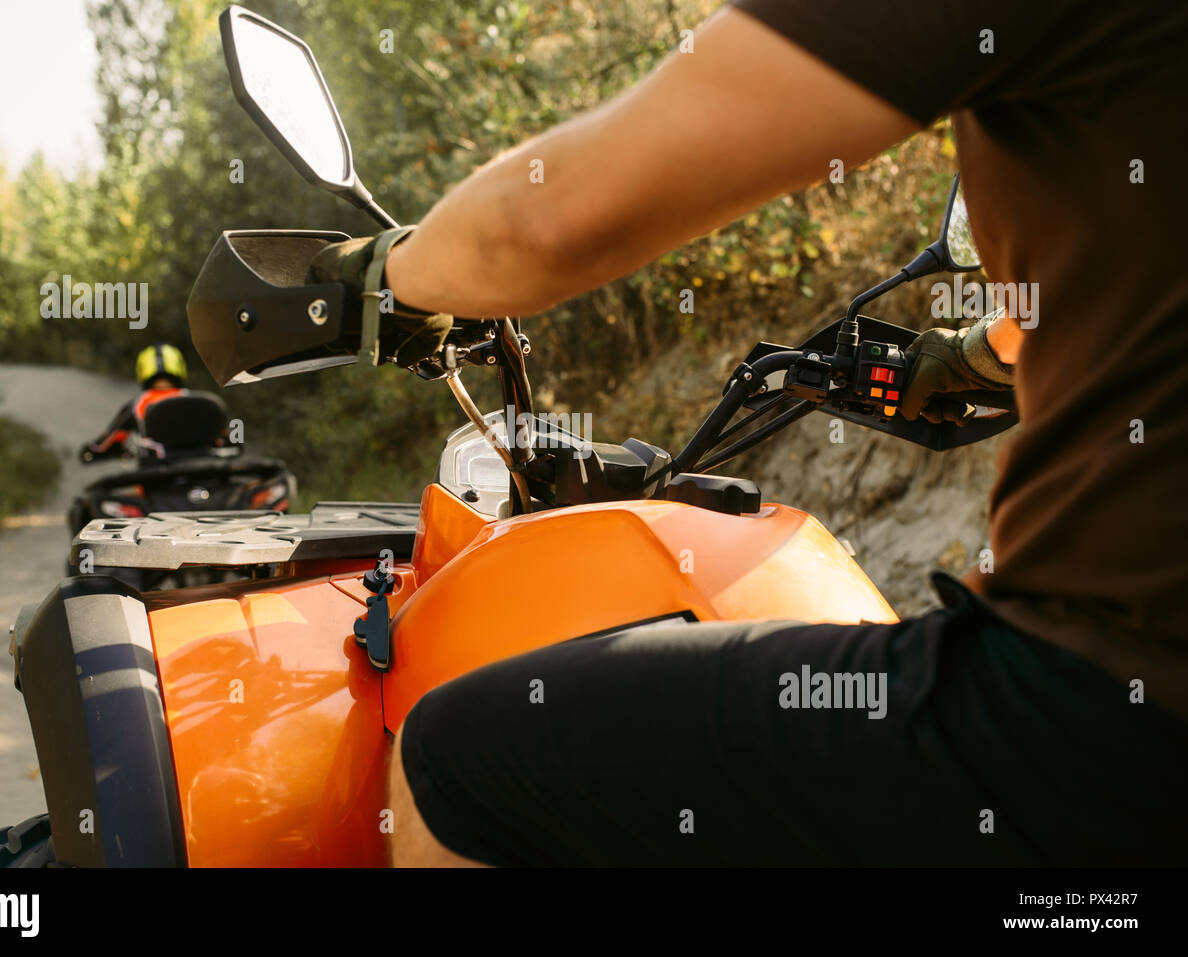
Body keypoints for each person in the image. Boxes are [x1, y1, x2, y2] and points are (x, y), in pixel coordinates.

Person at [311, 1, 1188, 864]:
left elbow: (553, 215)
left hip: (1098, 716)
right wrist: (972, 356)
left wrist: (376, 281)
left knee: (455, 761)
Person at [80, 343, 191, 462]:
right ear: (180, 366)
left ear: (142, 369)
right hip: (199, 471)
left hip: (156, 474)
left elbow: (106, 444)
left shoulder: (138, 404)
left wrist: (90, 450)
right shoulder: (193, 398)